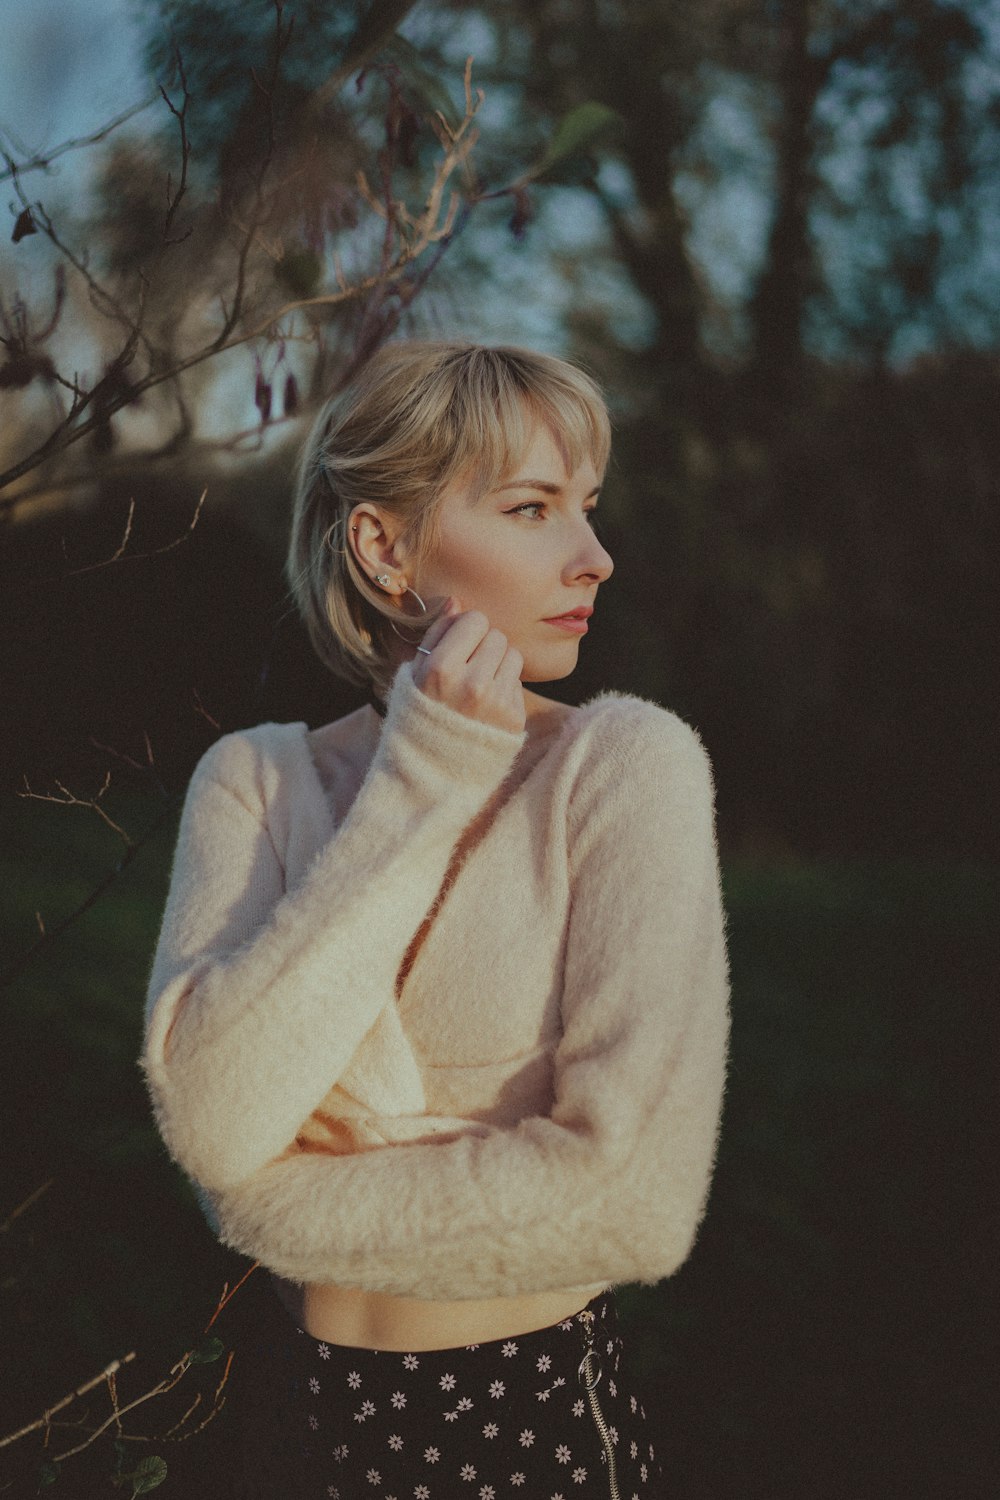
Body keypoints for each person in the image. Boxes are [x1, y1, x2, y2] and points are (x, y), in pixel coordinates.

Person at [141, 341, 729, 1498]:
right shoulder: (252, 784)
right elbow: (213, 1120)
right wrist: (426, 781)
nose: (594, 556)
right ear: (384, 546)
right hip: (281, 1423)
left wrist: (264, 1205)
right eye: (531, 507)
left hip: (524, 1424)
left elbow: (635, 1203)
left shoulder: (623, 768)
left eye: (588, 508)